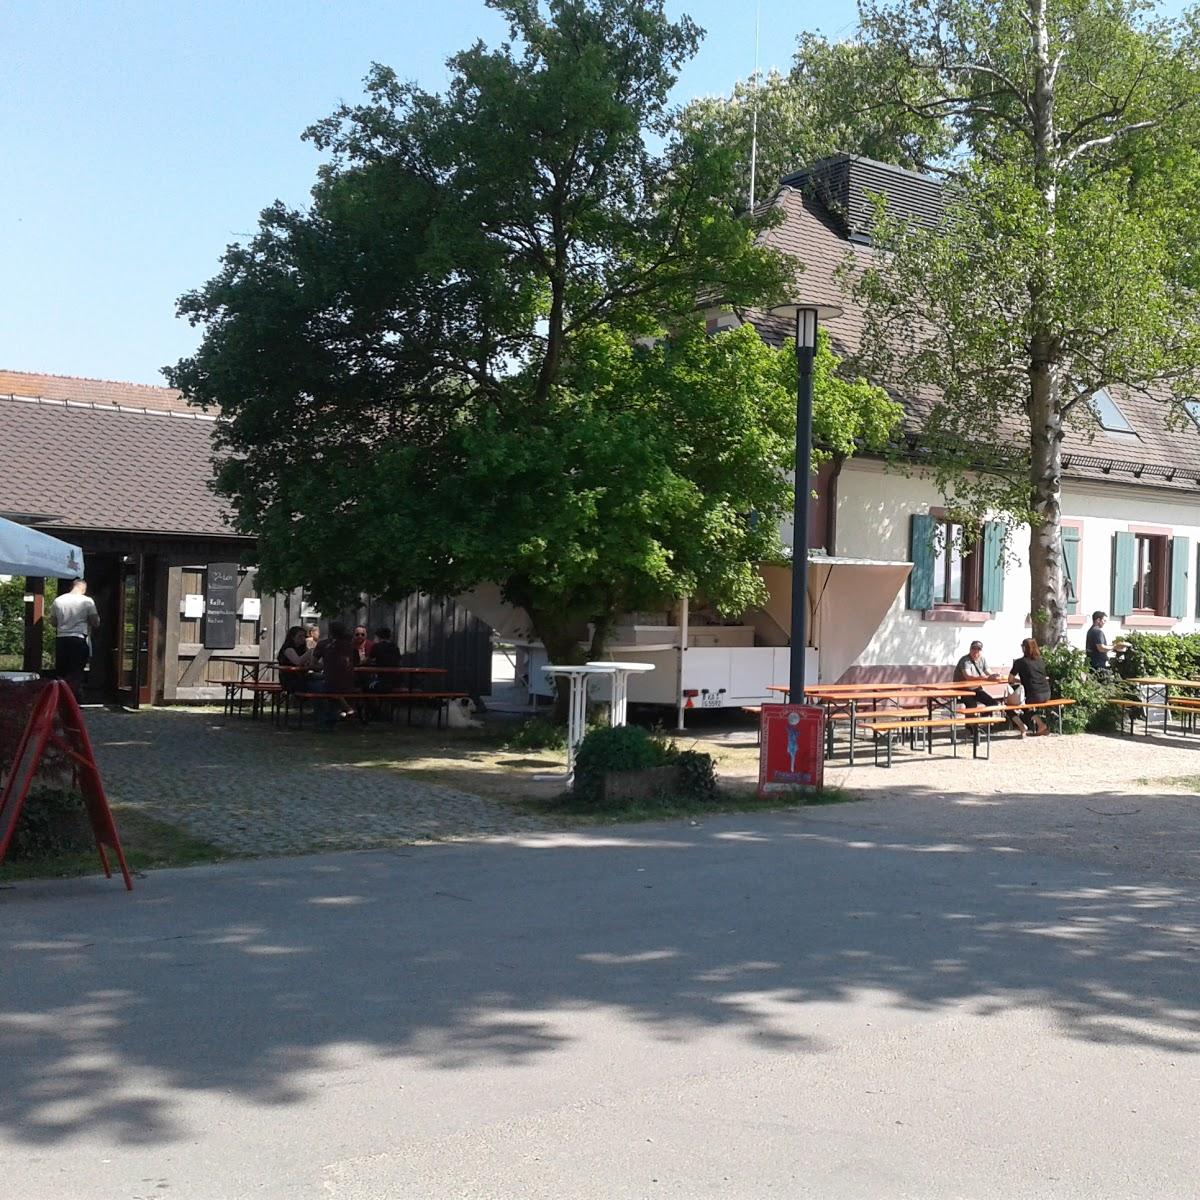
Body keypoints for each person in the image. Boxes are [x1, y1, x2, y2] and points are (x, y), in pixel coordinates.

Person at [49, 577, 100, 702]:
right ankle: (73, 699)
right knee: (76, 671)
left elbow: (53, 622)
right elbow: (95, 622)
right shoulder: (87, 601)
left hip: (61, 638)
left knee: (62, 671)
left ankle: (60, 698)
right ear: (83, 588)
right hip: (78, 638)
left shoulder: (58, 600)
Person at [313, 621, 357, 726]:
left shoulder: (324, 644)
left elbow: (313, 663)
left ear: (330, 631)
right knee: (332, 687)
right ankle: (345, 710)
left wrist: (324, 667)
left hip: (331, 682)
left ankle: (325, 720)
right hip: (350, 681)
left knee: (315, 688)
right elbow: (356, 662)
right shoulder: (350, 646)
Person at [1008, 637, 1051, 736]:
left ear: (1024, 648)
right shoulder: (1040, 661)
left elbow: (1010, 679)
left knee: (1010, 706)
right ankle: (1039, 725)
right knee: (1026, 704)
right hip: (1047, 693)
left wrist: (1020, 680)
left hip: (1034, 694)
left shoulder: (1020, 662)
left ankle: (1036, 725)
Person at [953, 640, 1005, 711]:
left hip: (976, 689)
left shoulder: (982, 659)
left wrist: (995, 675)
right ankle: (971, 722)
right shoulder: (965, 660)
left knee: (993, 703)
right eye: (974, 648)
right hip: (963, 689)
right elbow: (968, 677)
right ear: (970, 649)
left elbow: (989, 672)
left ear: (981, 651)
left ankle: (985, 720)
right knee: (972, 705)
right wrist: (985, 678)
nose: (976, 651)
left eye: (978, 649)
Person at [276, 626, 313, 695]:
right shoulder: (288, 649)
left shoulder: (302, 649)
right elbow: (297, 662)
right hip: (290, 680)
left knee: (322, 679)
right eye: (300, 636)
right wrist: (310, 652)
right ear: (292, 637)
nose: (303, 638)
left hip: (302, 677)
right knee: (318, 685)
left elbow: (310, 663)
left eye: (304, 636)